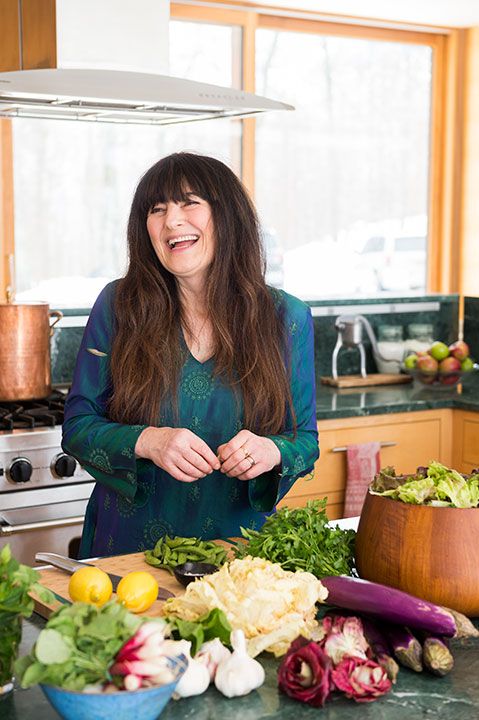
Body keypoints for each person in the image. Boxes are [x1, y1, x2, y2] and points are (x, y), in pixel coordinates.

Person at [62, 152, 319, 558]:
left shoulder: (287, 318)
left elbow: (304, 441)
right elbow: (77, 427)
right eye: (157, 209)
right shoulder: (118, 305)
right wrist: (148, 440)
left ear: (227, 216)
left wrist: (273, 451)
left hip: (239, 554)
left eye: (189, 202)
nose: (171, 221)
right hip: (128, 553)